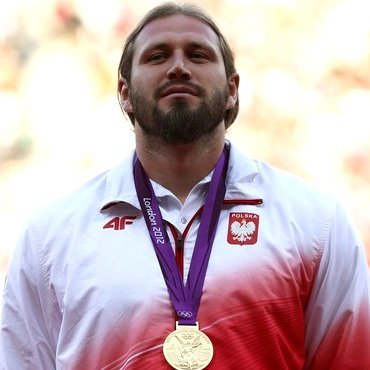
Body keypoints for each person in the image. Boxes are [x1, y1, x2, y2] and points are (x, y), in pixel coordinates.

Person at [1, 2, 370, 369]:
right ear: (124, 93)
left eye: (198, 55)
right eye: (158, 56)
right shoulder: (51, 237)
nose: (178, 67)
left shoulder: (315, 225)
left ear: (232, 90)